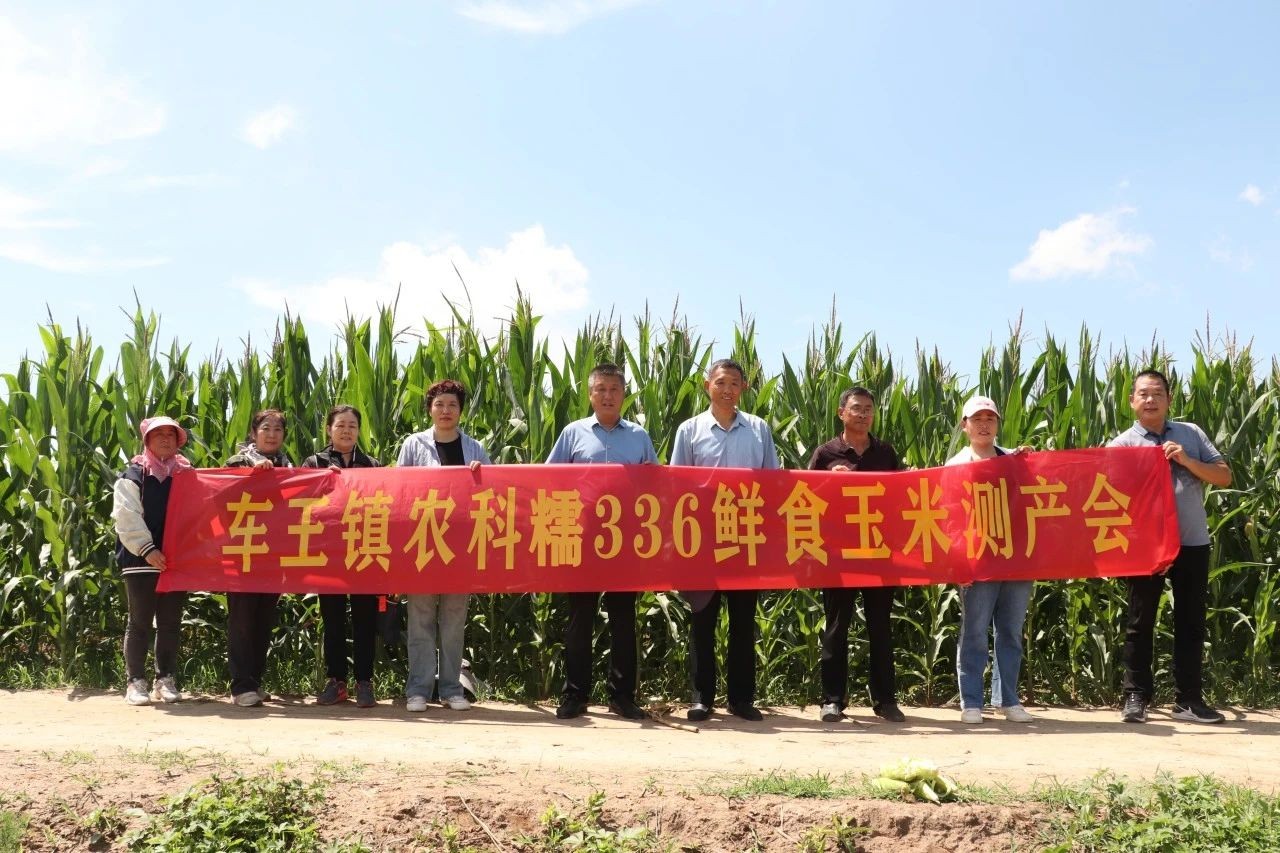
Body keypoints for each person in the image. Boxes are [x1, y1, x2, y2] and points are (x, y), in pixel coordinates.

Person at [1109, 369, 1231, 724]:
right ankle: (1136, 696)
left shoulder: (1191, 434)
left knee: (1191, 622)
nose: (1151, 400)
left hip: (1192, 541)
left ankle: (1188, 700)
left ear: (1169, 399)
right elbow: (1108, 497)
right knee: (1139, 621)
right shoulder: (1121, 446)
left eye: (1158, 393)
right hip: (1146, 548)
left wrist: (1187, 460)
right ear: (1132, 401)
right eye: (1143, 394)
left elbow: (1224, 476)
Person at [546, 363, 658, 721]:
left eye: (614, 389)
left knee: (623, 619)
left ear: (624, 394)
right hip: (581, 538)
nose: (608, 396)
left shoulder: (639, 436)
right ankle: (575, 695)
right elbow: (548, 479)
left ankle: (622, 696)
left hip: (626, 541)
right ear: (590, 394)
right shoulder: (573, 433)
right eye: (601, 390)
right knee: (580, 618)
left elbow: (656, 485)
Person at [671, 358, 780, 722]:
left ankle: (741, 699)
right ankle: (701, 698)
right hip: (703, 540)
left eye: (734, 383)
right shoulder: (689, 430)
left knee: (743, 622)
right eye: (720, 382)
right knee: (702, 620)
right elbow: (678, 484)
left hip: (746, 536)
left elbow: (772, 482)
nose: (727, 389)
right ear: (708, 386)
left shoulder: (759, 429)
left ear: (744, 388)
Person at [807, 387, 906, 724]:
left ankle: (885, 700)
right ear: (841, 413)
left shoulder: (885, 452)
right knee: (837, 627)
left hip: (879, 553)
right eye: (856, 408)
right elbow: (803, 497)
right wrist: (828, 481)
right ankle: (832, 700)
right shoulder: (826, 453)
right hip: (839, 554)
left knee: (881, 628)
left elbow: (901, 496)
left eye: (868, 409)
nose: (863, 414)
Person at [397, 380, 489, 713]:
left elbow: (494, 492)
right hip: (423, 540)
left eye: (452, 405)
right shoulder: (413, 444)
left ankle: (451, 689)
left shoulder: (475, 448)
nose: (445, 410)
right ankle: (418, 690)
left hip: (461, 545)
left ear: (461, 411)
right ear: (430, 410)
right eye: (439, 405)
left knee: (453, 620)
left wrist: (482, 475)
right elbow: (398, 489)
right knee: (420, 618)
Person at [945, 395, 1036, 725]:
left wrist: (1031, 464)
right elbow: (949, 519)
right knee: (974, 631)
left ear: (998, 424)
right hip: (977, 561)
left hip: (1015, 558)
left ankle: (1007, 699)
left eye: (990, 419)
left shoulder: (1015, 460)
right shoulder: (955, 466)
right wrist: (958, 563)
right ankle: (971, 701)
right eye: (977, 419)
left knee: (1010, 631)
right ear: (965, 425)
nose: (984, 425)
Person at [302, 405, 382, 708]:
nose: (346, 430)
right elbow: (301, 502)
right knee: (332, 619)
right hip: (328, 554)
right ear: (329, 429)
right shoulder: (314, 463)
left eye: (352, 426)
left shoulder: (372, 465)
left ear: (359, 431)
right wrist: (324, 480)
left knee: (365, 620)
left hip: (364, 550)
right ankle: (336, 681)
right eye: (340, 425)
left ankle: (365, 681)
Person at [112, 416, 193, 706]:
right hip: (139, 559)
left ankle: (165, 679)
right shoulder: (133, 475)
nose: (165, 439)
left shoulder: (187, 475)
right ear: (147, 440)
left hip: (175, 561)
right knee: (140, 622)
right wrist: (148, 549)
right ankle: (135, 682)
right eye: (159, 434)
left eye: (171, 434)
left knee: (170, 622)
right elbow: (126, 516)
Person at [224, 408, 292, 707]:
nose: (272, 434)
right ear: (254, 433)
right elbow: (221, 499)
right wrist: (252, 474)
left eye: (278, 429)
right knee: (241, 620)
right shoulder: (236, 463)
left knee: (263, 620)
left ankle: (254, 680)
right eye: (266, 428)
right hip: (243, 553)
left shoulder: (289, 467)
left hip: (273, 555)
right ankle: (240, 686)